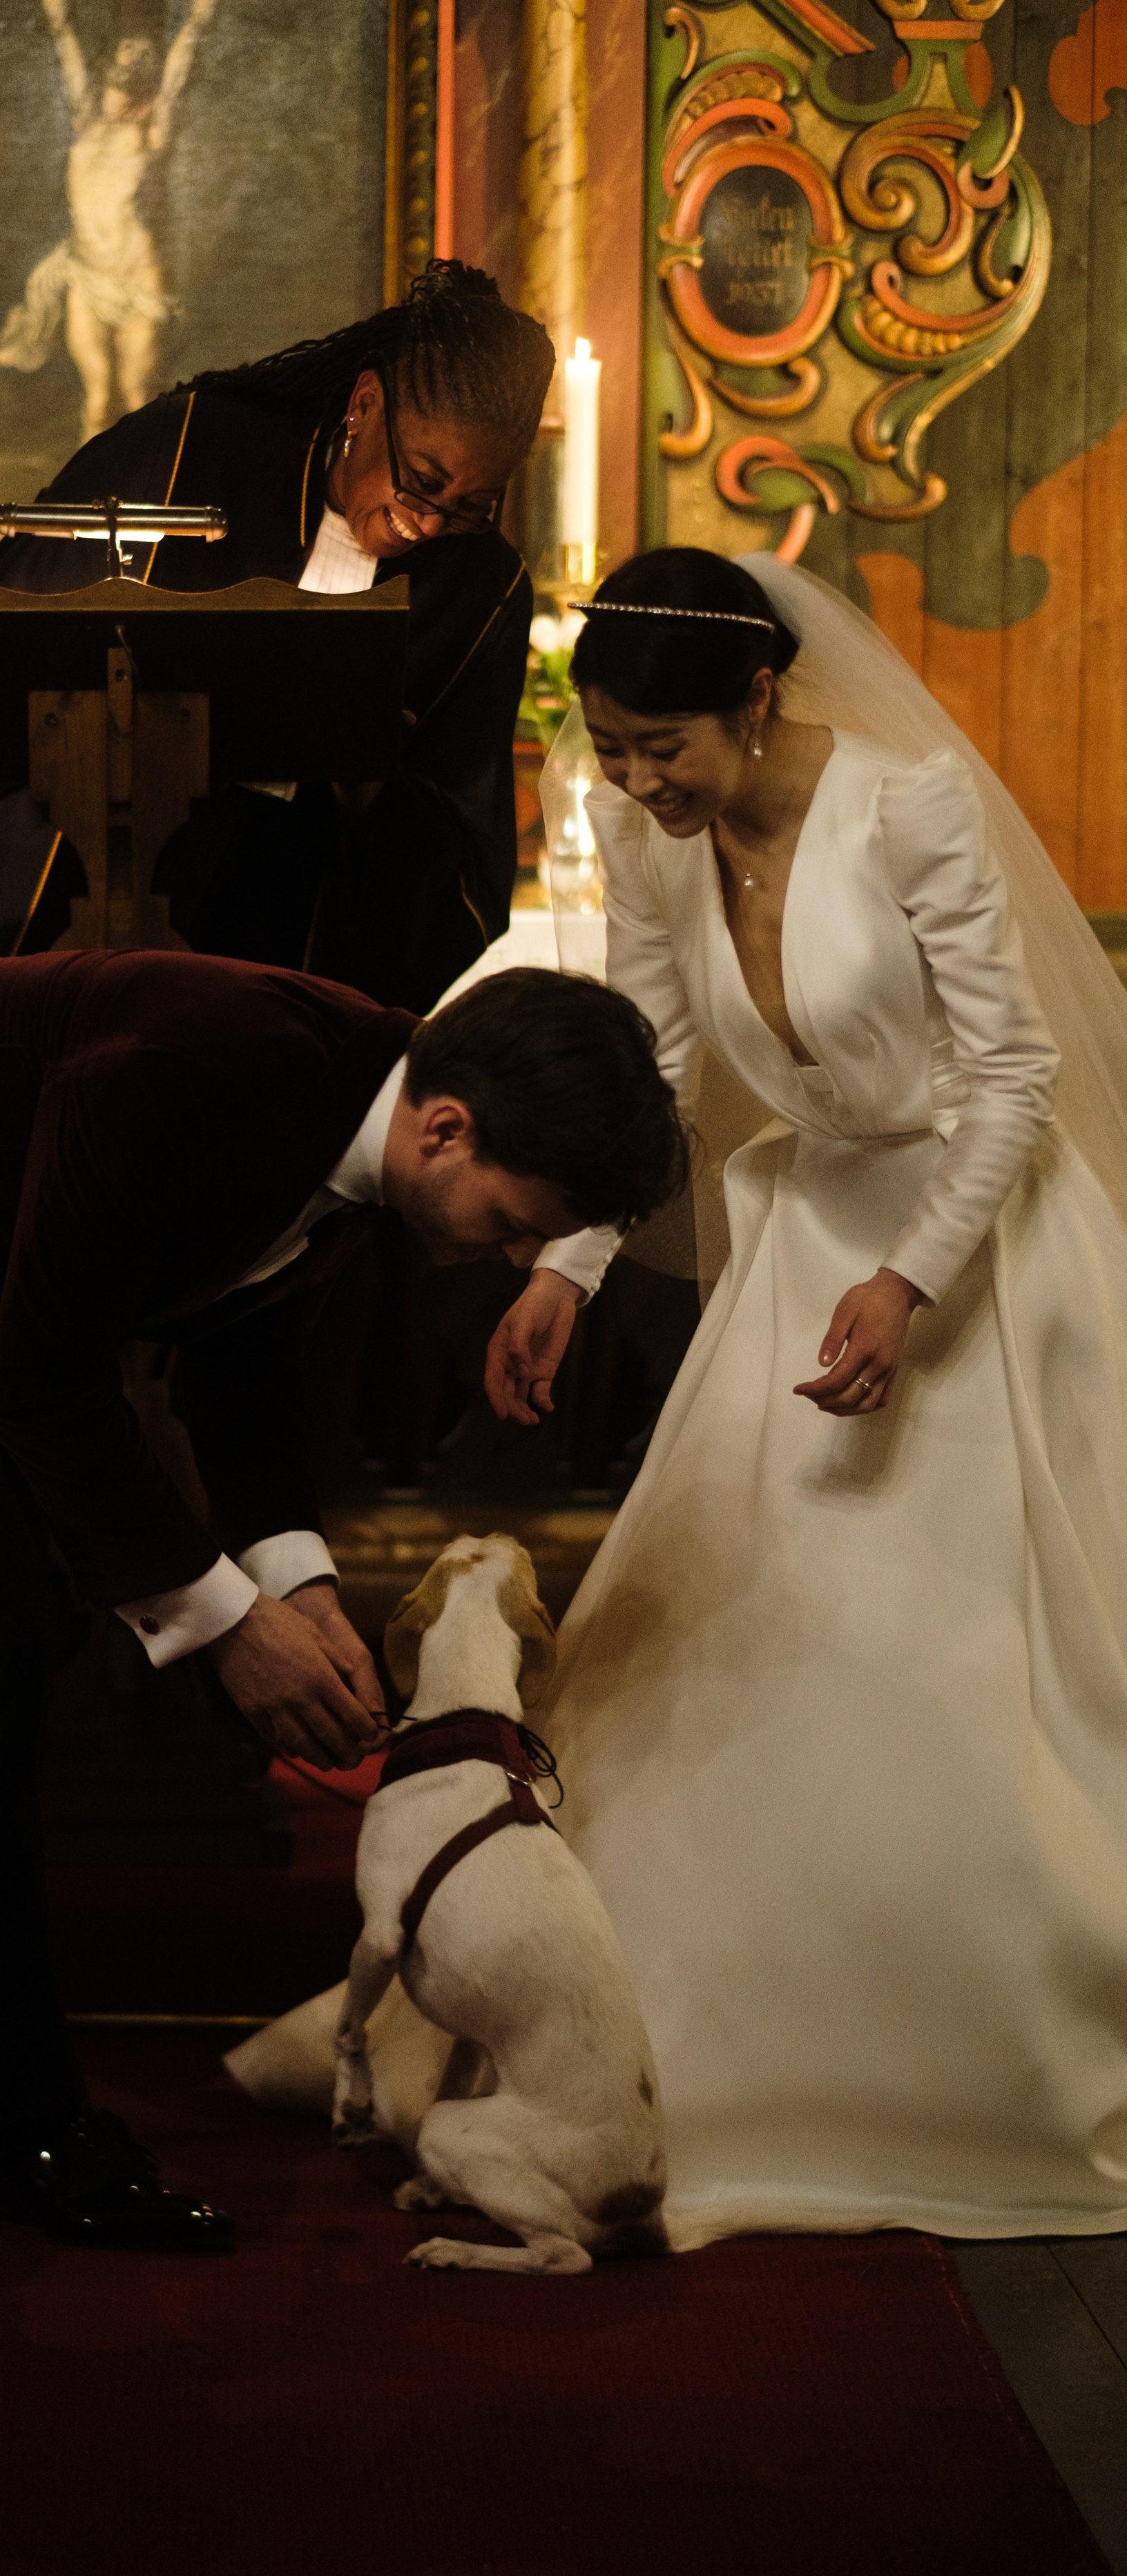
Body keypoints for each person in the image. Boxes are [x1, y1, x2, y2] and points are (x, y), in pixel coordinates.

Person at [0, 951, 685, 2252]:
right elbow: (44, 1379)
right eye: (518, 1218)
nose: (516, 1253)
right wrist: (225, 1625)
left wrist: (295, 1588)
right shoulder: (200, 1071)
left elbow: (236, 1359)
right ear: (446, 1128)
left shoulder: (375, 1129)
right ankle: (31, 2138)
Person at [475, 545, 1127, 2243]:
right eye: (603, 747)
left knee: (964, 1651)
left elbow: (1008, 1073)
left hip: (975, 1250)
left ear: (753, 695)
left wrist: (908, 1273)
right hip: (796, 1247)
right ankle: (681, 2040)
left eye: (654, 746)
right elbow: (654, 1069)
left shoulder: (903, 807)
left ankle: (995, 2026)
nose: (628, 781)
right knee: (735, 1648)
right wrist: (568, 1263)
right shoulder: (643, 833)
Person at [0, 261, 553, 1014]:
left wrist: (369, 775)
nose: (434, 521)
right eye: (423, 479)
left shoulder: (483, 585)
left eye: (473, 504)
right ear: (365, 405)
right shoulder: (191, 447)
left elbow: (463, 854)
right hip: (65, 890)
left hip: (278, 944)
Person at [0, 0, 221, 439]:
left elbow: (176, 78)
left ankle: (145, 501)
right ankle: (87, 502)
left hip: (138, 279)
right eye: (117, 71)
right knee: (97, 399)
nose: (122, 81)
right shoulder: (86, 123)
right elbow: (69, 63)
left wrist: (196, 20)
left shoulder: (152, 129)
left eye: (137, 68)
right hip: (87, 274)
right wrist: (59, 20)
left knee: (138, 397)